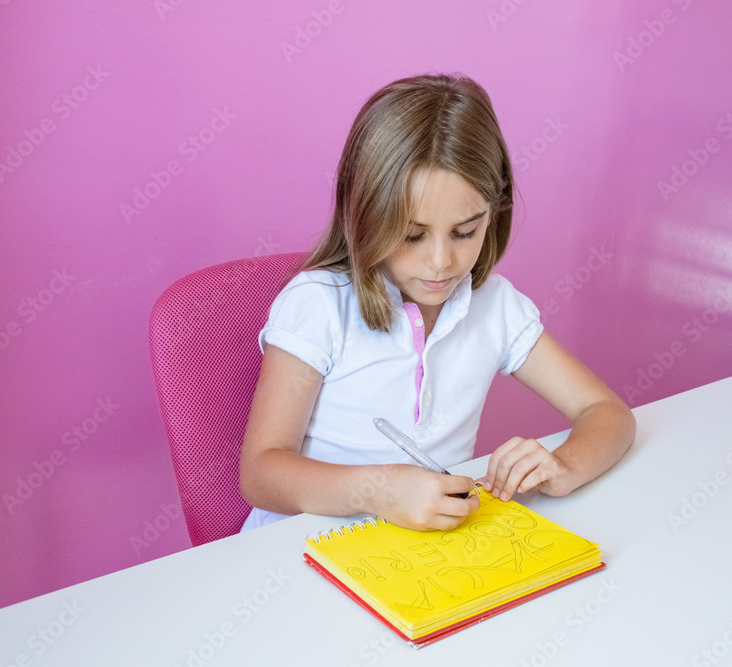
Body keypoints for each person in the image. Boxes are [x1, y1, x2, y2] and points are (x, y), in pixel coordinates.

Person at [239, 73, 635, 533]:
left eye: (465, 231)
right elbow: (261, 473)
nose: (442, 261)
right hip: (298, 549)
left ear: (493, 213)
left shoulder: (495, 307)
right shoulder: (318, 305)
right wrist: (380, 490)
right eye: (413, 235)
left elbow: (608, 414)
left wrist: (564, 465)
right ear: (363, 215)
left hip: (422, 554)